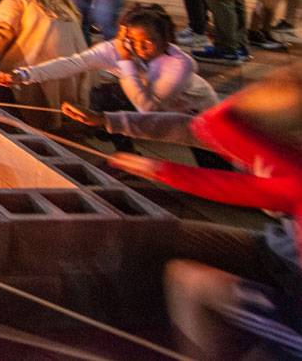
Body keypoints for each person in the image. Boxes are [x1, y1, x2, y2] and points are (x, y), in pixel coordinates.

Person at [104, 66, 302, 360]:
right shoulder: (289, 154)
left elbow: (212, 127)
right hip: (281, 253)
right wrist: (162, 169)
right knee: (154, 238)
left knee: (190, 282)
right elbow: (243, 178)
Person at [0, 2, 218, 153]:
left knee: (211, 156)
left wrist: (126, 61)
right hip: (148, 102)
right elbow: (73, 63)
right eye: (131, 39)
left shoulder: (179, 63)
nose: (139, 47)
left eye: (148, 42)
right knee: (105, 96)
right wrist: (24, 75)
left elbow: (147, 107)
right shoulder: (117, 48)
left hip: (194, 110)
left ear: (166, 38)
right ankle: (125, 152)